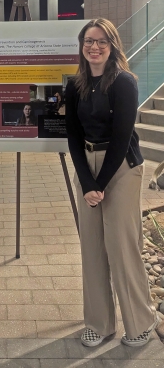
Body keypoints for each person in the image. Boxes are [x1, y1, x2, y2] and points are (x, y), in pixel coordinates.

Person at [65, 18, 158, 348]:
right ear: (82, 45)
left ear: (112, 45)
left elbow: (121, 139)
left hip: (121, 169)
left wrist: (99, 184)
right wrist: (86, 181)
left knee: (121, 246)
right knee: (91, 248)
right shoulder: (75, 84)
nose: (94, 47)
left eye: (102, 41)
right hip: (88, 168)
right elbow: (73, 136)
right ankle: (100, 324)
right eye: (89, 41)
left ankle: (140, 322)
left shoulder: (124, 82)